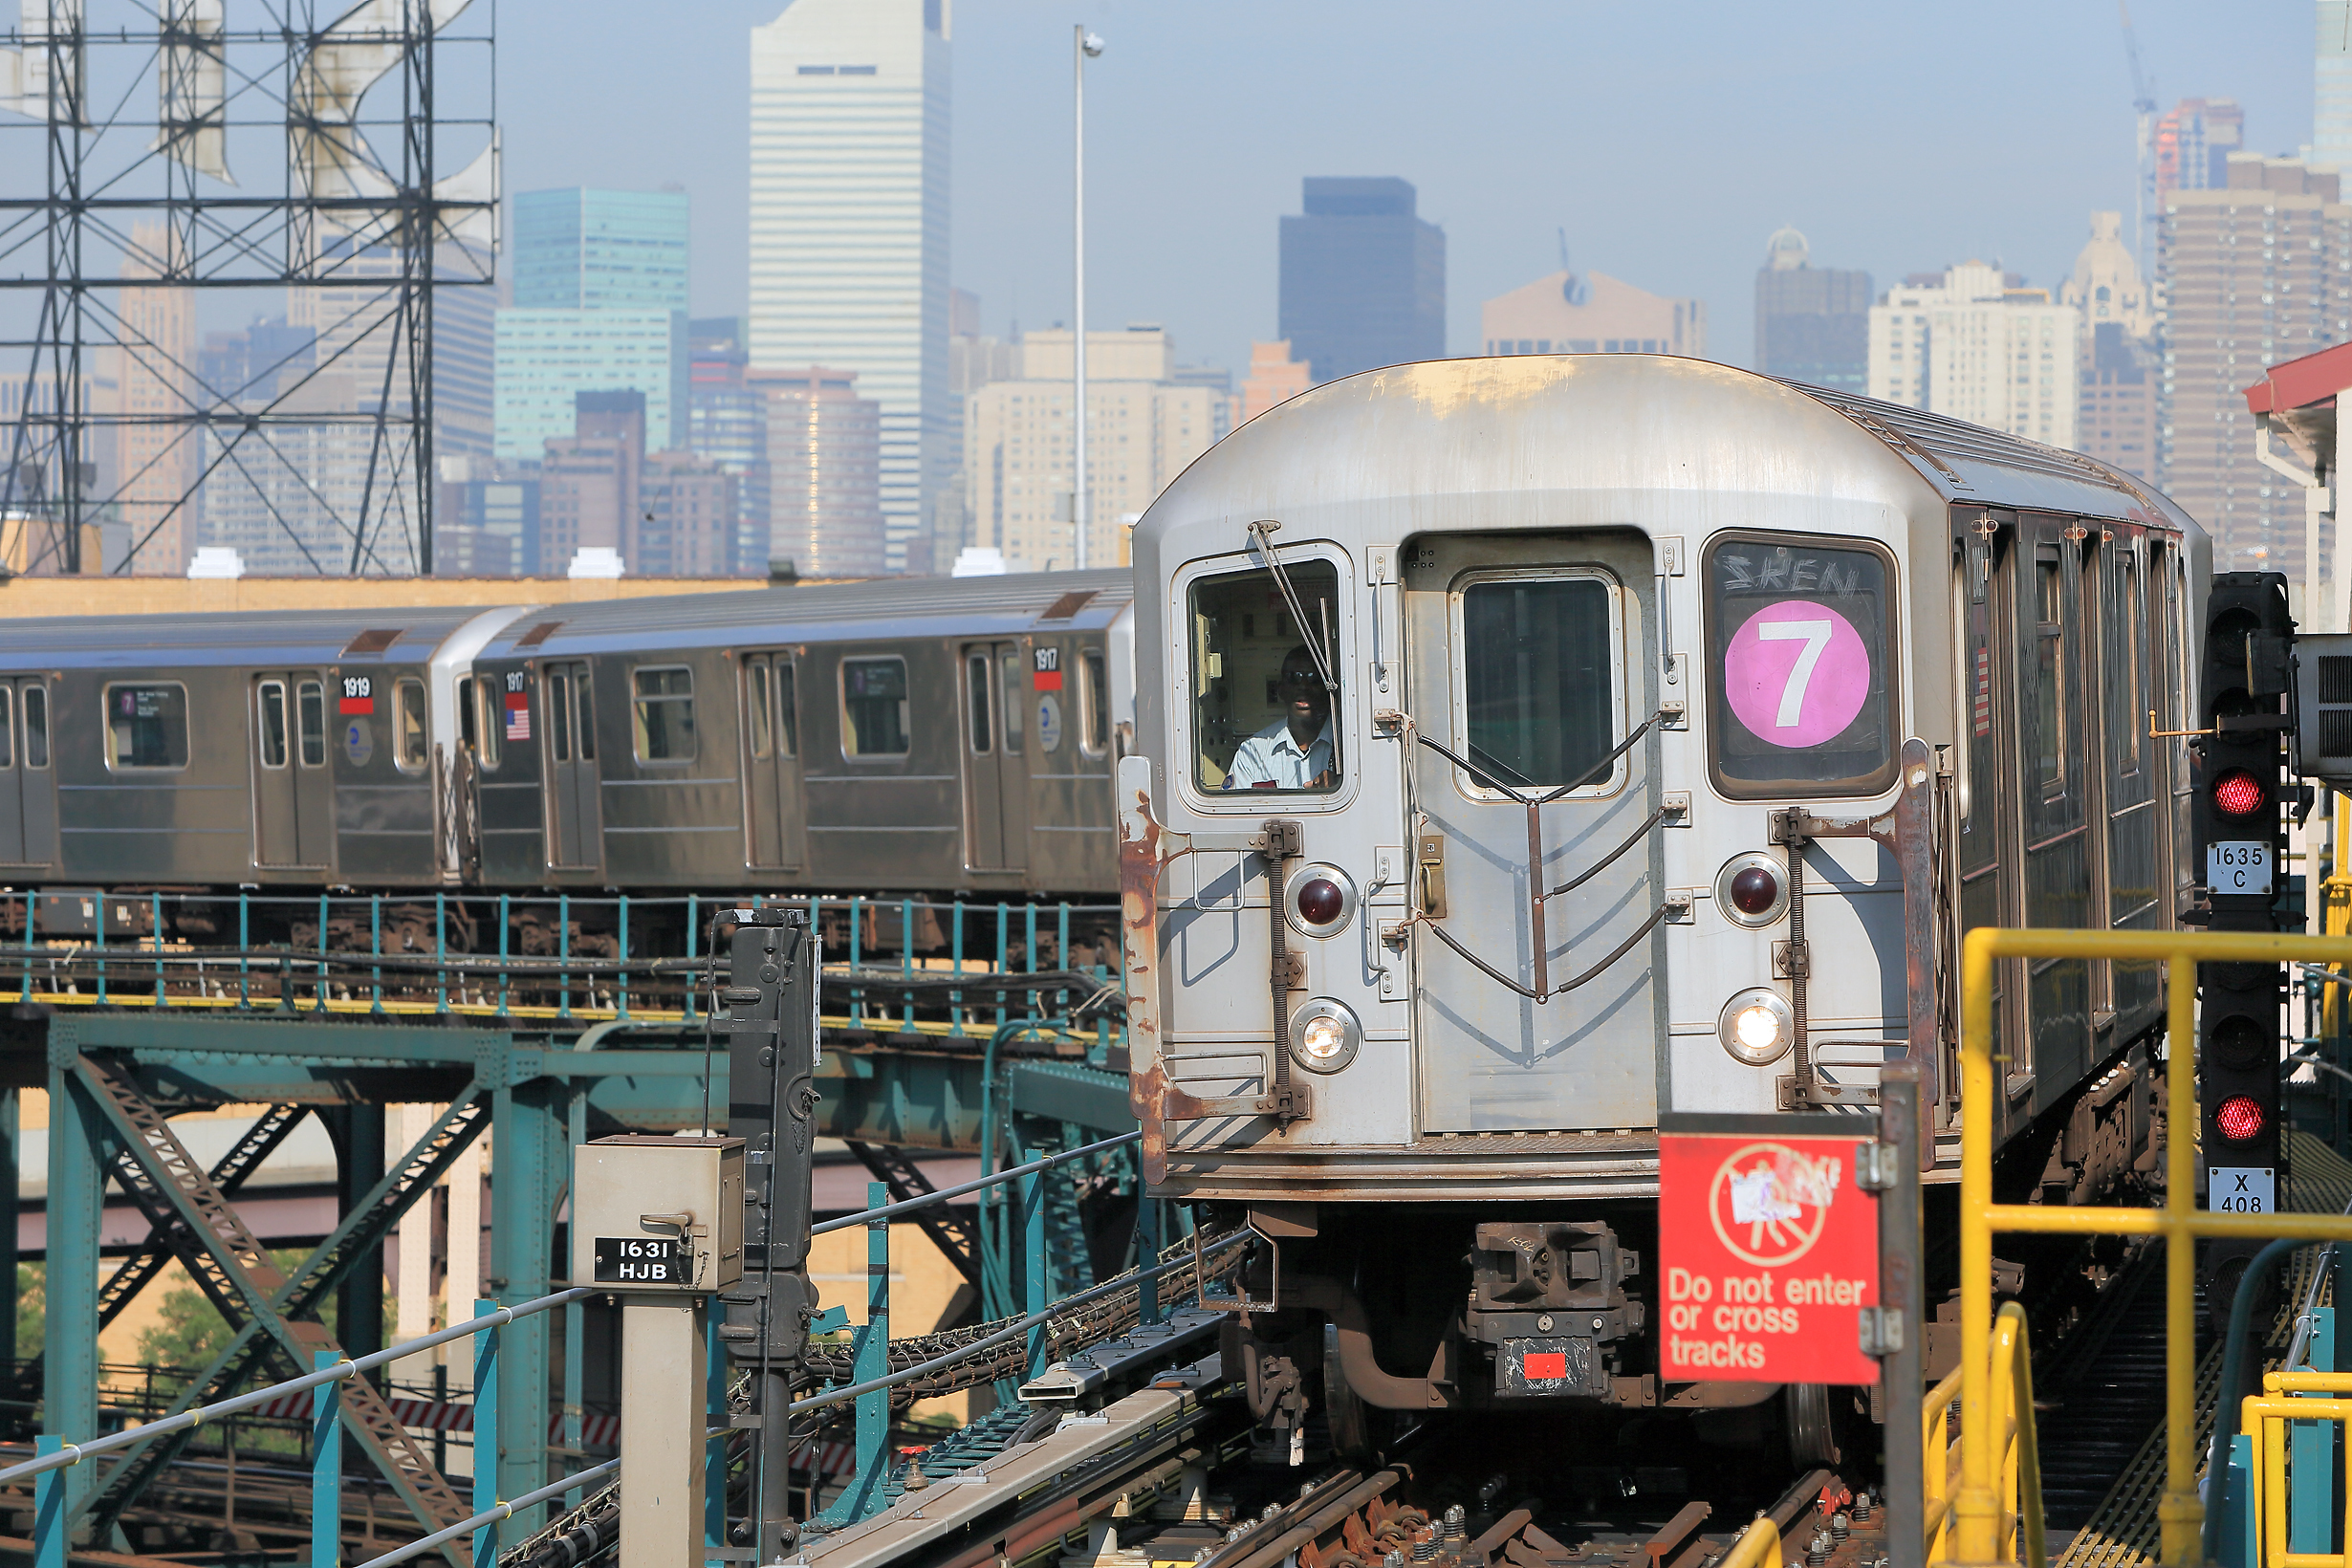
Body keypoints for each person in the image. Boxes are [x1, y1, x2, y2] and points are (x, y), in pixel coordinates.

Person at [1225, 644, 1336, 790]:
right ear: (1281, 690)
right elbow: (1236, 810)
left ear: (1328, 688)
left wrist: (1340, 783)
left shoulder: (1351, 745)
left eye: (1313, 678)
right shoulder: (1252, 751)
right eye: (1294, 677)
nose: (1303, 686)